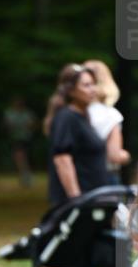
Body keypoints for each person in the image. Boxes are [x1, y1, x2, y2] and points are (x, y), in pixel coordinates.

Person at [43, 64, 108, 207]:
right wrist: (76, 200)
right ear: (71, 91)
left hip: (93, 199)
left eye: (93, 84)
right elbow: (62, 159)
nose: (92, 90)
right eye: (86, 85)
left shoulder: (83, 117)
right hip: (79, 202)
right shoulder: (67, 118)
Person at [83, 59, 130, 182]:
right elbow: (114, 156)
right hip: (105, 177)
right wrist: (126, 156)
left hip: (79, 176)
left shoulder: (73, 113)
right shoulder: (111, 115)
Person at [3, 96, 36, 187]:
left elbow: (32, 125)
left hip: (26, 138)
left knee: (24, 158)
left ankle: (25, 176)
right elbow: (7, 126)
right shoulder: (10, 113)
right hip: (16, 139)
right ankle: (25, 176)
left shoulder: (27, 113)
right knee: (19, 157)